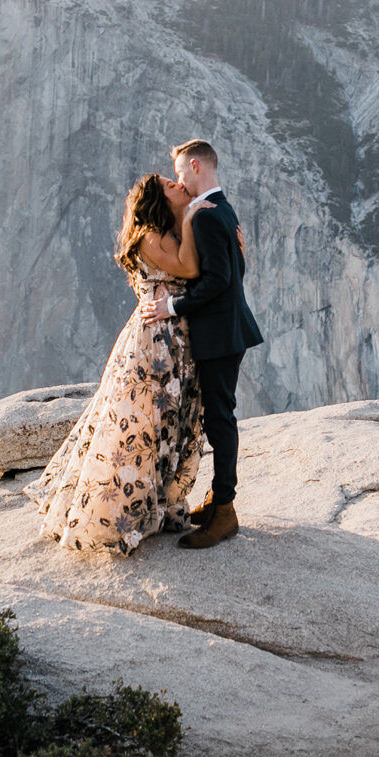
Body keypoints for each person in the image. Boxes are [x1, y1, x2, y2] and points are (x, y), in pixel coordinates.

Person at [31, 173, 208, 555]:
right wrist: (193, 218)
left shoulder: (166, 230)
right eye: (169, 184)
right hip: (155, 345)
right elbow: (188, 269)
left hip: (174, 341)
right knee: (142, 426)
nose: (178, 184)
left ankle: (158, 507)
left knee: (169, 423)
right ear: (159, 200)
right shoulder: (150, 236)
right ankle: (123, 514)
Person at [150, 137, 263, 550]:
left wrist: (172, 305)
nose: (179, 180)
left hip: (220, 334)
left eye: (180, 172)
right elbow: (235, 269)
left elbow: (219, 281)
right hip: (227, 330)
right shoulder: (222, 208)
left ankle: (226, 510)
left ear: (195, 166)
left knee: (220, 420)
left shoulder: (206, 216)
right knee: (219, 417)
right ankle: (218, 501)